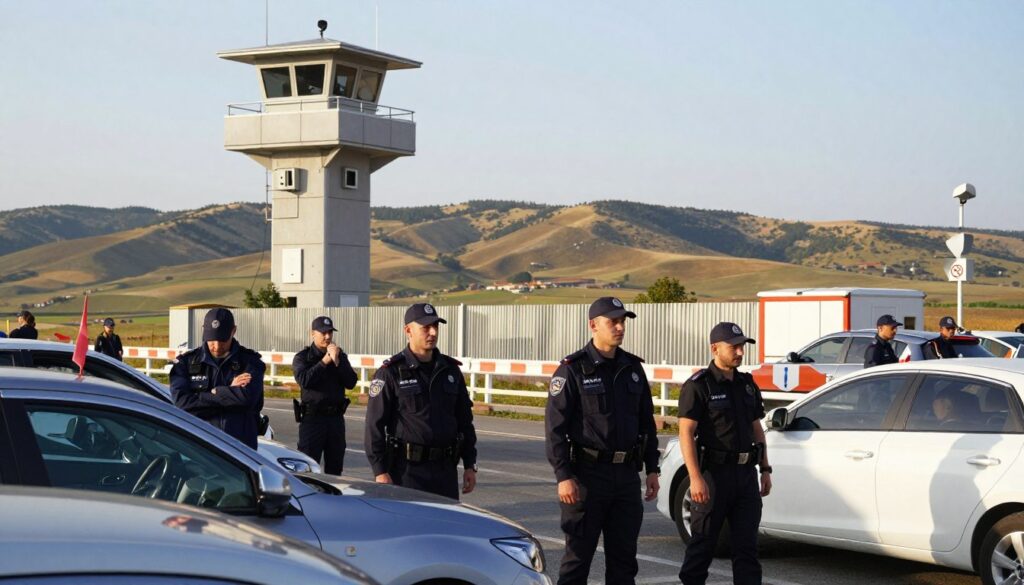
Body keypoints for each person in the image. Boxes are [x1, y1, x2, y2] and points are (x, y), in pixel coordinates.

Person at [544, 296, 660, 585]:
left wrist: (653, 468)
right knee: (577, 560)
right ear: (593, 325)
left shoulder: (632, 369)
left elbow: (647, 422)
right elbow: (554, 429)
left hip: (626, 477)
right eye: (613, 322)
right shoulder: (572, 369)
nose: (620, 327)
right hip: (587, 477)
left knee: (624, 562)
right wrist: (563, 476)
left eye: (623, 322)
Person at [677, 322, 771, 585]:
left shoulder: (747, 384)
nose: (740, 352)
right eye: (734, 347)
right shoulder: (699, 385)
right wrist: (695, 478)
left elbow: (757, 430)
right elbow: (685, 432)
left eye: (742, 346)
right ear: (715, 348)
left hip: (745, 476)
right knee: (702, 547)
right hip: (713, 477)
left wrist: (765, 469)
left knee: (747, 551)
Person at [364, 303, 477, 499]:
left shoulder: (450, 370)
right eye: (425, 327)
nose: (432, 332)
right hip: (407, 472)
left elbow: (464, 421)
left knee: (446, 527)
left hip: (445, 472)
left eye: (436, 326)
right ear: (408, 330)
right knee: (411, 527)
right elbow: (374, 425)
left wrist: (469, 464)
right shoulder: (391, 372)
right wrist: (380, 471)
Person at [170, 308, 265, 449]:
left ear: (233, 331)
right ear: (203, 331)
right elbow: (183, 404)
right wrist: (227, 392)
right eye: (212, 339)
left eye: (222, 339)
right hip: (199, 449)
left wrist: (214, 393)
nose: (216, 345)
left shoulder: (250, 363)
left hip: (240, 449)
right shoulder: (186, 364)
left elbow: (247, 398)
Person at [292, 316, 357, 475]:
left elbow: (351, 382)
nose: (327, 336)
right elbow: (304, 380)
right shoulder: (303, 357)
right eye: (323, 333)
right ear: (312, 334)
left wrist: (337, 362)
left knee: (335, 469)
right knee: (307, 468)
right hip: (312, 419)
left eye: (330, 332)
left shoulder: (340, 356)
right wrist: (325, 361)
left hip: (335, 420)